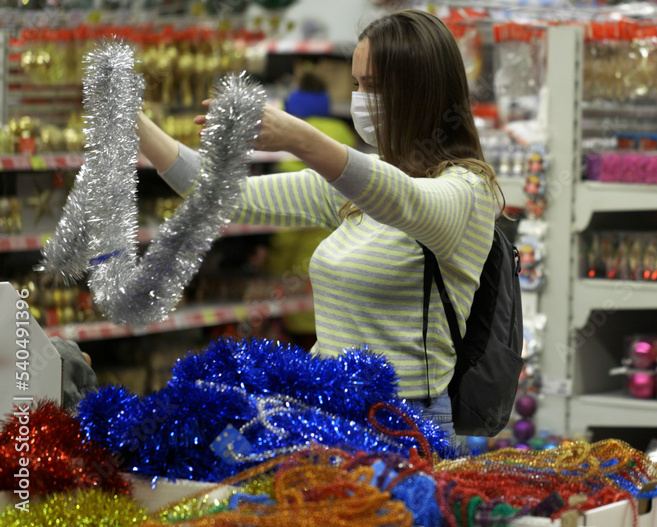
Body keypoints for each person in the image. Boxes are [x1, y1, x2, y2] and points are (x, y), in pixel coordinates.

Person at [137, 9, 503, 443]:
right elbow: (221, 194)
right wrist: (134, 123)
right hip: (327, 416)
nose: (362, 98)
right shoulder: (359, 186)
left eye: (376, 86)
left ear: (421, 91)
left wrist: (299, 136)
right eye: (357, 84)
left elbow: (404, 200)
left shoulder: (467, 191)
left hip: (403, 425)